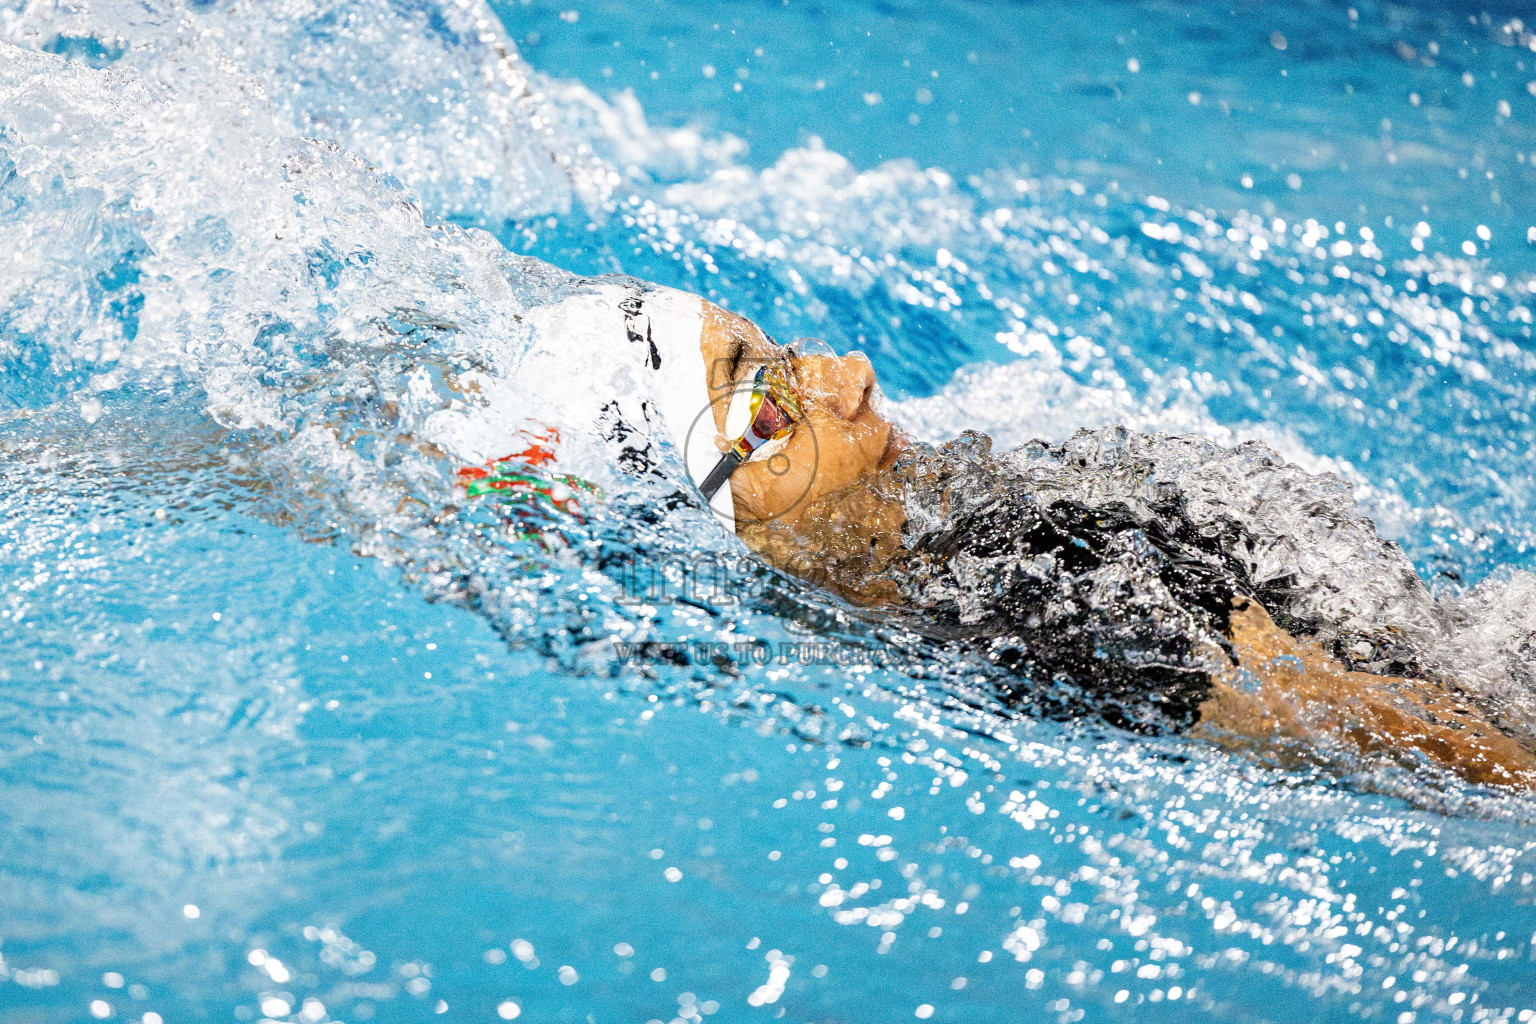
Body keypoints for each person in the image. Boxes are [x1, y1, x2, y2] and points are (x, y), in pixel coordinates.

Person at [469, 276, 1536, 790]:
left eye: (775, 347)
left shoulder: (1036, 589)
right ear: (713, 520)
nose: (846, 375)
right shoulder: (965, 579)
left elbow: (1432, 743)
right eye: (768, 403)